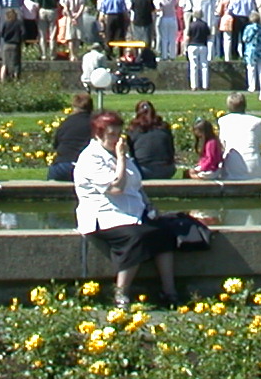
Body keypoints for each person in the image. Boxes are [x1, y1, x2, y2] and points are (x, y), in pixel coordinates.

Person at [73, 108, 179, 308]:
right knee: (136, 237)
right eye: (111, 135)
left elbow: (136, 186)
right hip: (104, 216)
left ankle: (169, 291)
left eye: (118, 134)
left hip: (132, 213)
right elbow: (116, 188)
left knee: (165, 234)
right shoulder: (91, 158)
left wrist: (149, 206)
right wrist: (121, 158)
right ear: (98, 134)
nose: (116, 139)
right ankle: (121, 294)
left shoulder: (121, 154)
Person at [215, 91, 261, 181]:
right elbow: (258, 145)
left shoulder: (223, 121)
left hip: (233, 166)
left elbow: (223, 145)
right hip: (255, 165)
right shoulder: (257, 121)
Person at [46, 93, 97, 181]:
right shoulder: (95, 124)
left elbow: (56, 145)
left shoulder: (65, 123)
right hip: (85, 167)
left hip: (61, 167)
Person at [127, 100, 177, 181]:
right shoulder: (164, 127)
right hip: (167, 170)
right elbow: (171, 149)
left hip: (142, 171)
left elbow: (131, 153)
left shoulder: (133, 129)